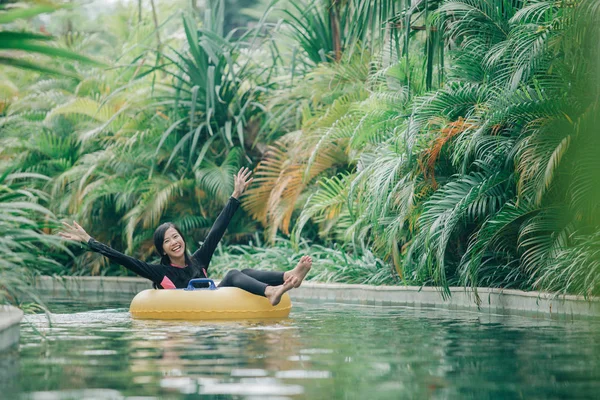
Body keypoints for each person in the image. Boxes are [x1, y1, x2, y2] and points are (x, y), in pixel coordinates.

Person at [58, 167, 312, 306]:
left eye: (176, 236)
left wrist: (235, 195)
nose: (174, 242)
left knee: (242, 270)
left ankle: (288, 276)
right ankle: (270, 291)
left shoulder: (198, 261)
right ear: (163, 249)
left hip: (213, 304)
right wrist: (89, 242)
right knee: (233, 274)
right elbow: (124, 259)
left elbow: (217, 230)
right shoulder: (160, 273)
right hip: (191, 317)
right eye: (167, 240)